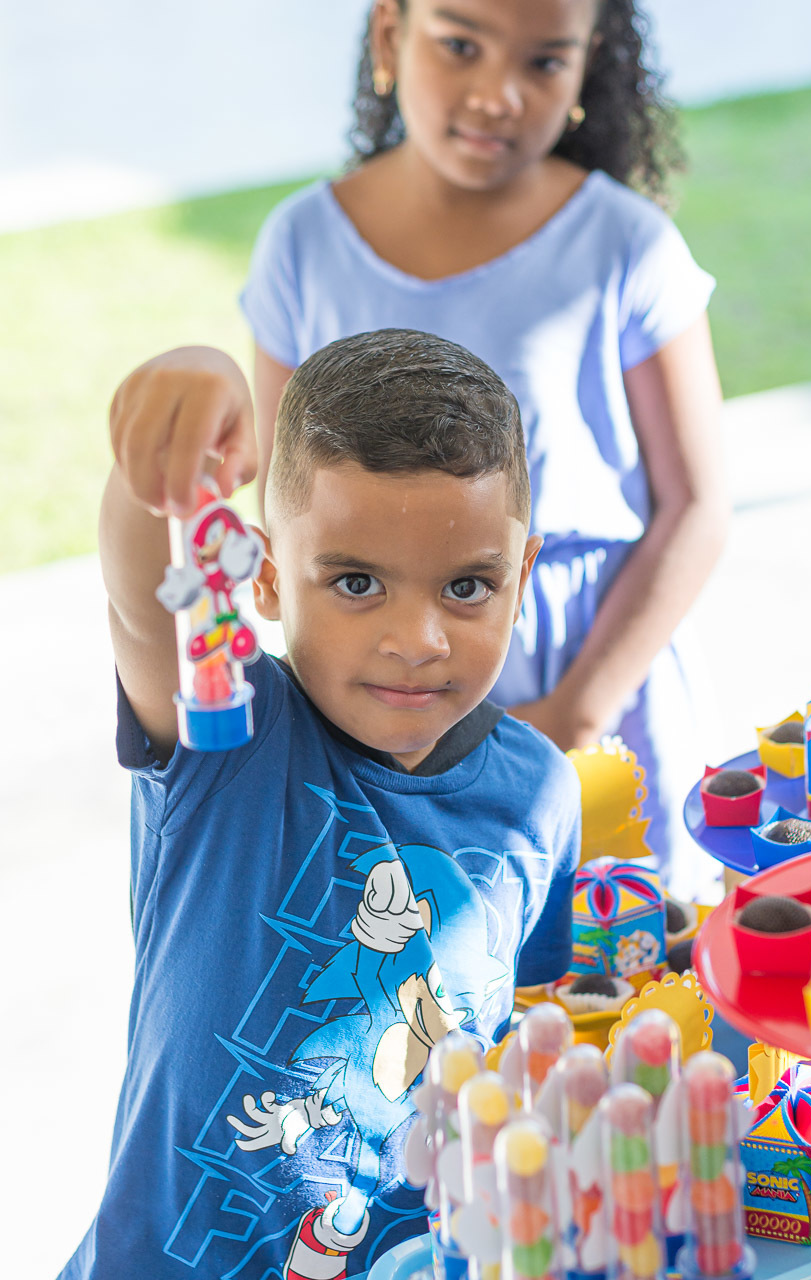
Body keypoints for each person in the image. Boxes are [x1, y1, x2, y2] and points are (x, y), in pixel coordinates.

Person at [116, 0, 727, 896]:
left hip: (592, 685)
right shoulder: (303, 244)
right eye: (460, 45)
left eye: (543, 63)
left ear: (585, 67)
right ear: (388, 38)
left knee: (607, 970)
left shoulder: (628, 246)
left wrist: (573, 714)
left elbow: (697, 506)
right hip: (366, 720)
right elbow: (281, 509)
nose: (497, 95)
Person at [60, 329, 580, 1280]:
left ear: (524, 573)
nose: (415, 639)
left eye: (468, 586)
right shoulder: (232, 733)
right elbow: (145, 600)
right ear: (259, 574)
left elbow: (533, 1041)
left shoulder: (542, 793)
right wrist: (182, 433)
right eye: (354, 582)